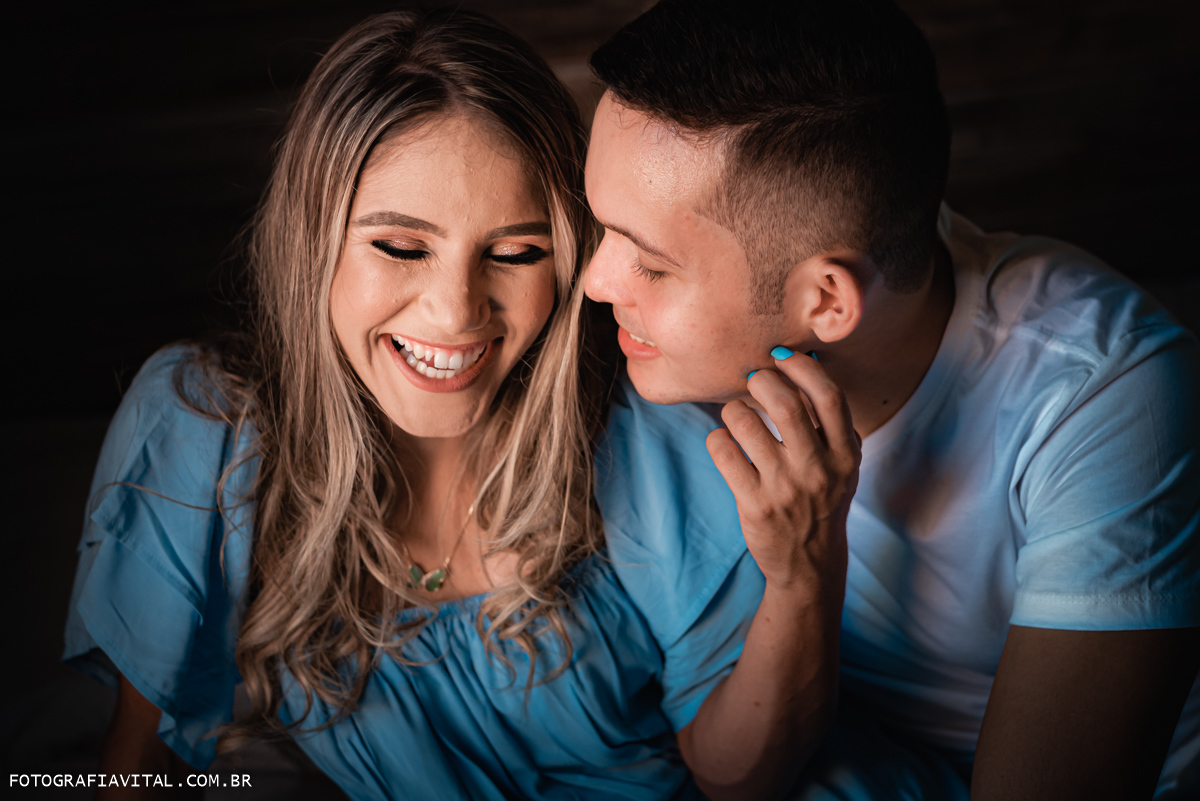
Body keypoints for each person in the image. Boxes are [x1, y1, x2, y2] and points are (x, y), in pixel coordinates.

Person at [62, 9, 836, 800]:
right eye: (400, 247)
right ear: (312, 239)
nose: (457, 312)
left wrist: (804, 576)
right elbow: (136, 769)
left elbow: (742, 779)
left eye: (514, 253)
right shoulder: (204, 429)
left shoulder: (643, 429)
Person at [583, 1, 1200, 799]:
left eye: (651, 265)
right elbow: (732, 771)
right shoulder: (671, 372)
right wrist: (802, 574)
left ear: (828, 302)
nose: (596, 283)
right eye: (605, 232)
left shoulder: (1105, 394)